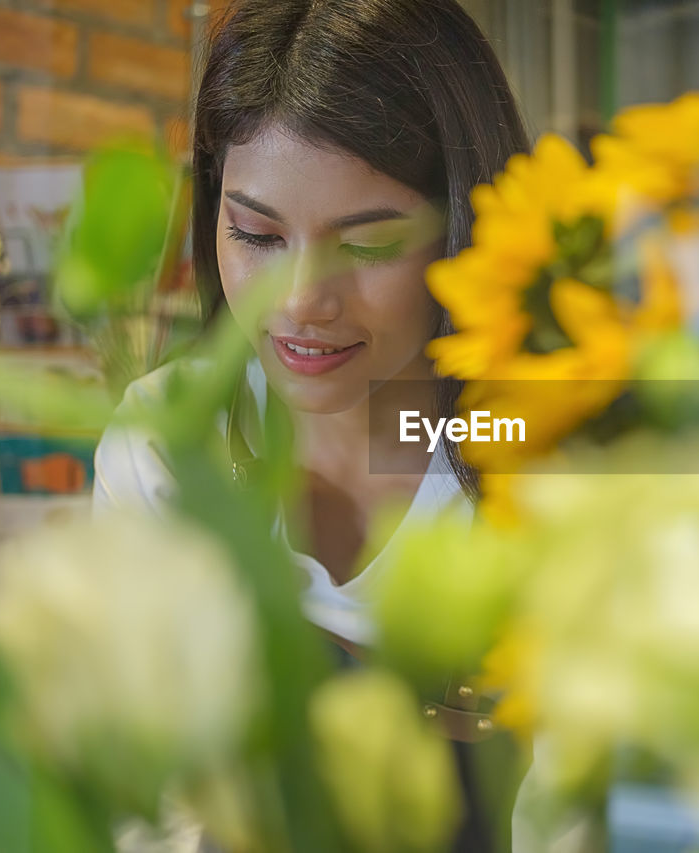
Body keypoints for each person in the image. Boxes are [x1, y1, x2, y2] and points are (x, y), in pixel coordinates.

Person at [91, 0, 532, 849]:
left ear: (469, 229)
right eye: (257, 234)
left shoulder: (537, 452)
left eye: (365, 246)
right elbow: (143, 801)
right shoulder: (163, 444)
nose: (300, 303)